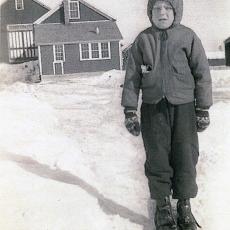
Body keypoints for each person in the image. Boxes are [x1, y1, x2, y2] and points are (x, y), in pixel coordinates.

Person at [121, 0, 212, 229]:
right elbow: (132, 78)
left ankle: (184, 206)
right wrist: (130, 110)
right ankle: (162, 207)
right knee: (157, 157)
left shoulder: (188, 37)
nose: (162, 13)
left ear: (176, 11)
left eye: (168, 8)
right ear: (150, 13)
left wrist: (202, 108)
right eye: (157, 8)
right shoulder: (143, 40)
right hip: (153, 109)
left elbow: (202, 73)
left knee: (186, 156)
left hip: (184, 109)